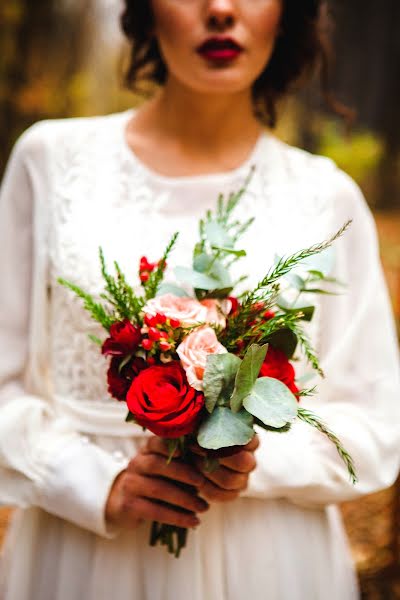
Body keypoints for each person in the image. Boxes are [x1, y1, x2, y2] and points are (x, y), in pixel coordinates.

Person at [0, 1, 399, 599]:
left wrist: (252, 460)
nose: (220, 9)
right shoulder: (50, 162)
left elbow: (375, 424)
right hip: (83, 557)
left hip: (269, 561)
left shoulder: (327, 200)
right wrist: (88, 482)